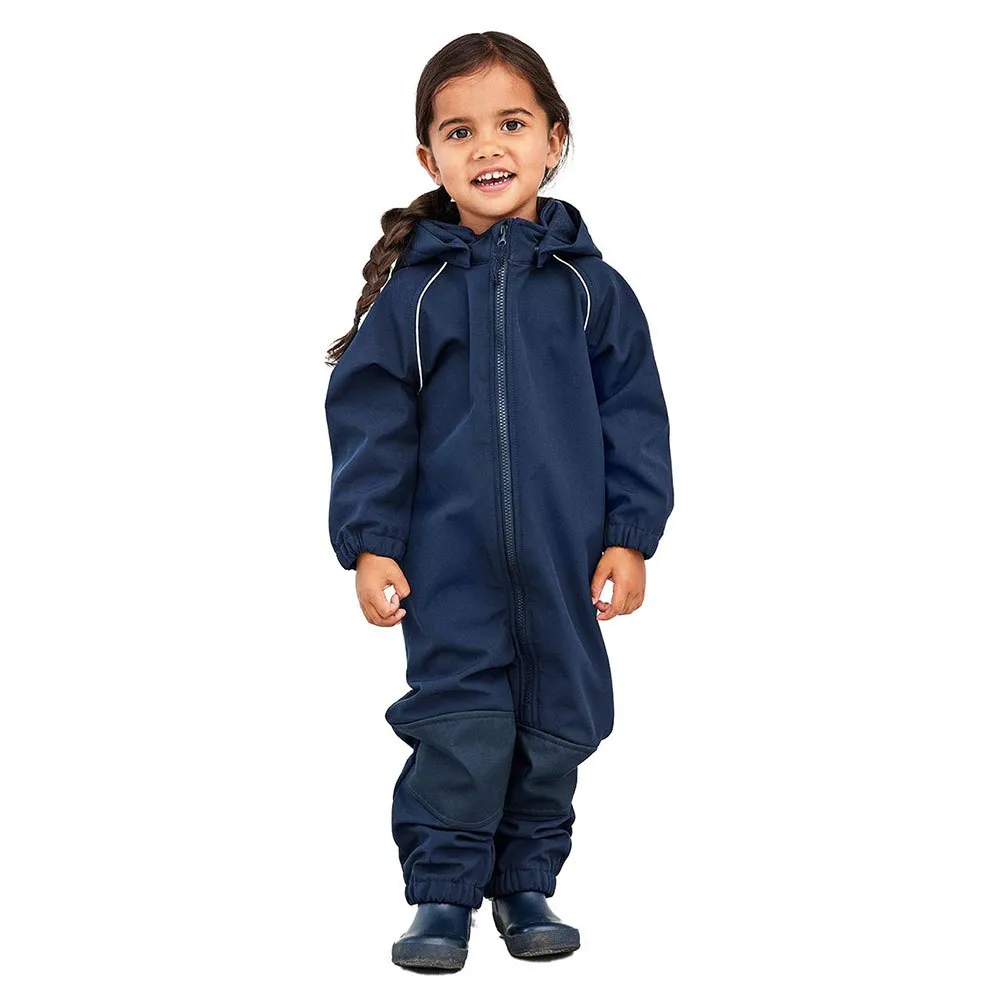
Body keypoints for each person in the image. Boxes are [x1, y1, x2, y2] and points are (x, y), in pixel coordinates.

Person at [324, 31, 674, 972]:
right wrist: (370, 540)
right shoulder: (417, 295)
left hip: (565, 563)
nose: (488, 147)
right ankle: (442, 896)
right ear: (428, 160)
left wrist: (630, 536)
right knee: (460, 723)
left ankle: (526, 882)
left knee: (558, 721)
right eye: (460, 131)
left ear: (554, 140)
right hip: (447, 566)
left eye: (511, 124)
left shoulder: (594, 292)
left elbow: (635, 419)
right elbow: (371, 421)